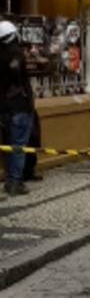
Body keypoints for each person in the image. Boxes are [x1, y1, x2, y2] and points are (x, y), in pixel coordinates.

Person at [0, 21, 35, 195]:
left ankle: (9, 180)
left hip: (3, 108)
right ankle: (15, 182)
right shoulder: (16, 54)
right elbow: (17, 75)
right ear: (14, 35)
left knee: (7, 146)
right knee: (18, 146)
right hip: (19, 107)